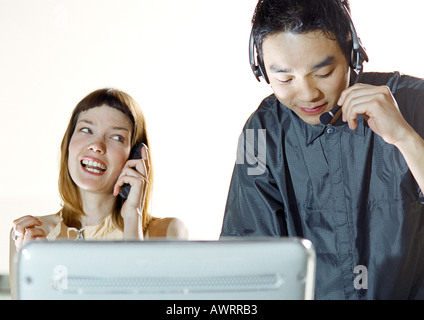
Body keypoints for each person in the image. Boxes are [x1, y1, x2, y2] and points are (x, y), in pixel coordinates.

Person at [220, 0, 424, 299]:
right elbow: (247, 259)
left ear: (352, 55)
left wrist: (406, 138)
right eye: (284, 78)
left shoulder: (416, 102)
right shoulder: (260, 133)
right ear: (260, 69)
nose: (307, 94)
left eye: (324, 73)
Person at [9, 88, 188, 297]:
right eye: (86, 130)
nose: (96, 145)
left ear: (136, 157)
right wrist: (39, 267)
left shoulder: (167, 233)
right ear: (68, 143)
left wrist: (133, 220)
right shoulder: (32, 234)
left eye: (117, 137)